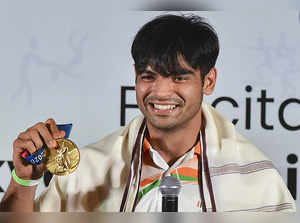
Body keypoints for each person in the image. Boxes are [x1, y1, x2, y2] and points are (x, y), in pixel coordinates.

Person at [0, 14, 296, 212]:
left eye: (179, 77)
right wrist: (23, 181)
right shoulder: (89, 169)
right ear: (135, 76)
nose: (161, 92)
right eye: (149, 76)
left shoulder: (257, 178)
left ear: (208, 81)